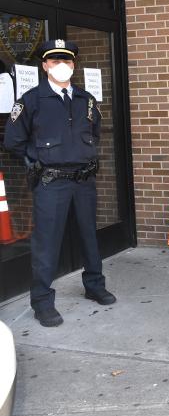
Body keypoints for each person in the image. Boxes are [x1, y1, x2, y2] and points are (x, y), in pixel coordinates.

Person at [4, 39, 116, 327]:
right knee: (47, 243)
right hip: (51, 183)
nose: (62, 66)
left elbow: (96, 133)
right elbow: (13, 141)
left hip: (83, 180)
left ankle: (94, 285)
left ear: (74, 65)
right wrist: (38, 159)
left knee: (89, 236)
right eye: (55, 61)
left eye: (67, 61)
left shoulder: (85, 99)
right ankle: (42, 301)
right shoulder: (30, 100)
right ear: (44, 66)